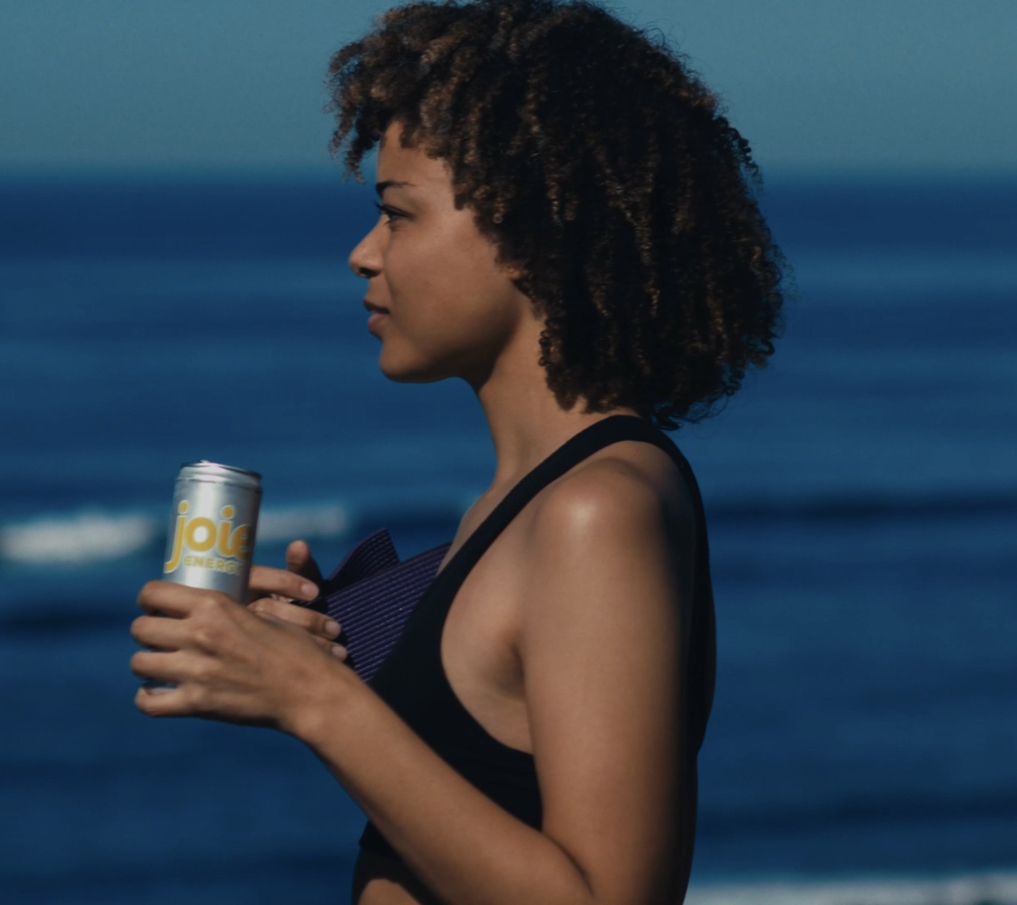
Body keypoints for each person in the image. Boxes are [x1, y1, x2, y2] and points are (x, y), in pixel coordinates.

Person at [128, 1, 785, 902]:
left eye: (398, 215)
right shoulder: (513, 503)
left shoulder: (598, 509)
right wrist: (315, 653)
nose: (363, 254)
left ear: (531, 235)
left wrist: (317, 702)